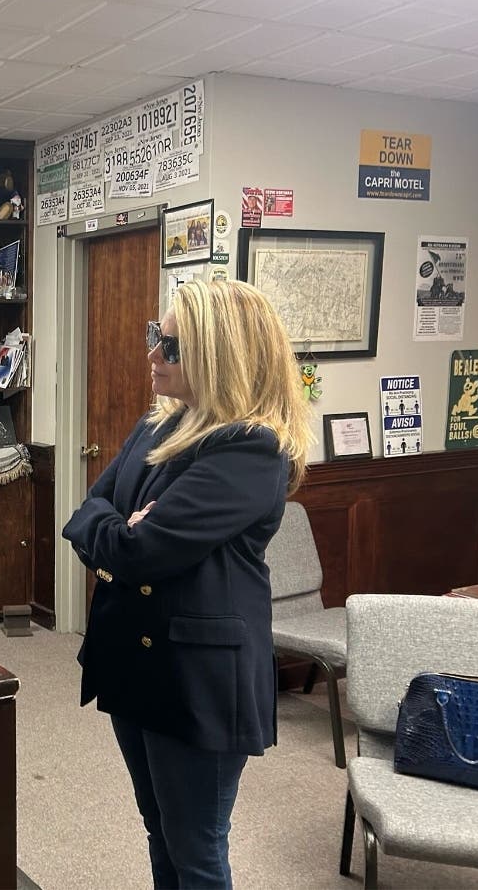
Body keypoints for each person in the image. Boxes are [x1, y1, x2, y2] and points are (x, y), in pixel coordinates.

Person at [62, 279, 312, 889]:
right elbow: (85, 514)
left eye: (170, 347)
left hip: (197, 678)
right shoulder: (159, 424)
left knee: (197, 853)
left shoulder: (252, 448)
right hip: (135, 664)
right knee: (160, 832)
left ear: (219, 357)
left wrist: (121, 533)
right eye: (157, 337)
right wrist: (119, 529)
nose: (153, 356)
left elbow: (139, 551)